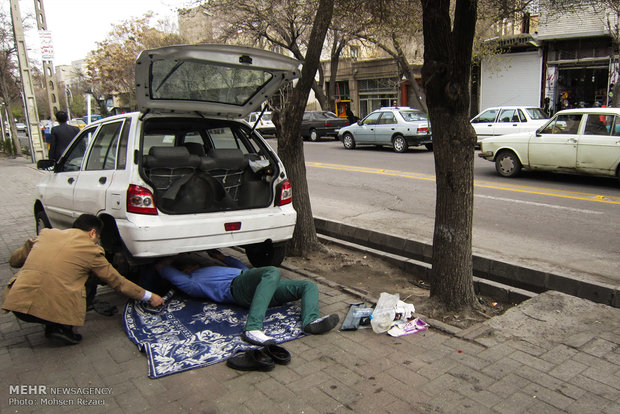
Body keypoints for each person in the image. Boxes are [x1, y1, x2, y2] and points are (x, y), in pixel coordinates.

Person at [2, 214, 164, 345]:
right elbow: (118, 282)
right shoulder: (91, 250)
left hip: (16, 303)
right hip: (46, 309)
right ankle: (61, 326)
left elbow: (14, 260)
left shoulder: (46, 234)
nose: (96, 241)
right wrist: (150, 296)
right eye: (97, 238)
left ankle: (52, 324)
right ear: (93, 233)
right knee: (91, 277)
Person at [154, 250, 339, 346]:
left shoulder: (208, 268)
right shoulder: (193, 282)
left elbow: (242, 267)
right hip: (238, 290)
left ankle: (311, 321)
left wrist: (223, 257)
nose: (193, 265)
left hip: (258, 286)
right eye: (188, 266)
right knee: (272, 271)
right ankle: (252, 328)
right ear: (184, 271)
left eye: (193, 263)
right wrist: (173, 257)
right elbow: (162, 268)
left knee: (308, 285)